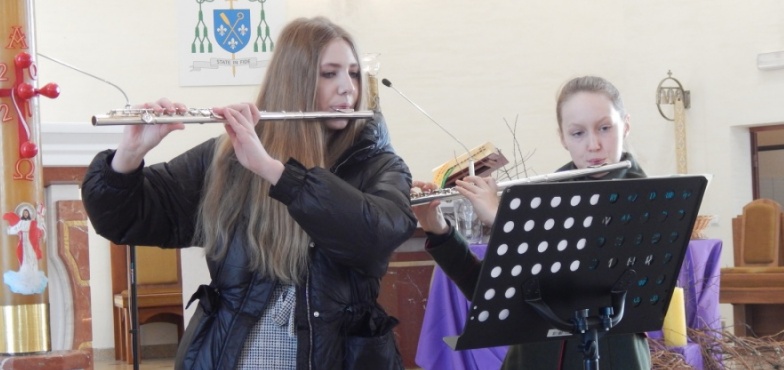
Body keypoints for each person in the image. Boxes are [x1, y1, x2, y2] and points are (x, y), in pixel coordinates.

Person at [81, 17, 417, 370]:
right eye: (330, 73)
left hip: (342, 356)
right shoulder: (227, 156)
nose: (348, 88)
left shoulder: (380, 164)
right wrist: (129, 155)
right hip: (237, 354)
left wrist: (274, 172)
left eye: (353, 73)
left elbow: (377, 236)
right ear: (294, 80)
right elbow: (122, 219)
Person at [413, 75, 650, 370]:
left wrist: (503, 222)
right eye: (577, 133)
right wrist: (439, 231)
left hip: (613, 357)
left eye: (605, 128)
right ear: (562, 137)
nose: (594, 145)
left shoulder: (648, 199)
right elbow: (491, 295)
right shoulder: (542, 200)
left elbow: (584, 274)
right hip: (533, 360)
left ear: (625, 125)